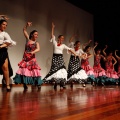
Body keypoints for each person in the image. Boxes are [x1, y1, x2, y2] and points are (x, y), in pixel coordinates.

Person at [43, 22, 76, 89]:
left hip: (60, 58)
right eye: (61, 38)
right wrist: (52, 28)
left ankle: (62, 83)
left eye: (63, 38)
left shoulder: (63, 45)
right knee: (55, 70)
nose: (62, 39)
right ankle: (55, 82)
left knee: (62, 70)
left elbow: (69, 49)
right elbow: (52, 35)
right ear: (58, 38)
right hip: (55, 57)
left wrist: (75, 54)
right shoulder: (54, 42)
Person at [13, 22, 43, 90]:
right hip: (26, 58)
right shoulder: (28, 40)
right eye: (35, 34)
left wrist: (33, 52)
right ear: (32, 34)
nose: (37, 35)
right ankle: (24, 84)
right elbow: (24, 30)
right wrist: (27, 25)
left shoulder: (36, 43)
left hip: (32, 59)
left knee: (34, 71)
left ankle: (38, 84)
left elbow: (38, 49)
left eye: (37, 34)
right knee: (24, 71)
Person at [0, 18, 16, 91]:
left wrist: (1, 46)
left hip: (2, 51)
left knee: (5, 68)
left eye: (6, 25)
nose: (5, 26)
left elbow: (10, 42)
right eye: (3, 24)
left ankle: (7, 85)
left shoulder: (5, 33)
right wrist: (2, 16)